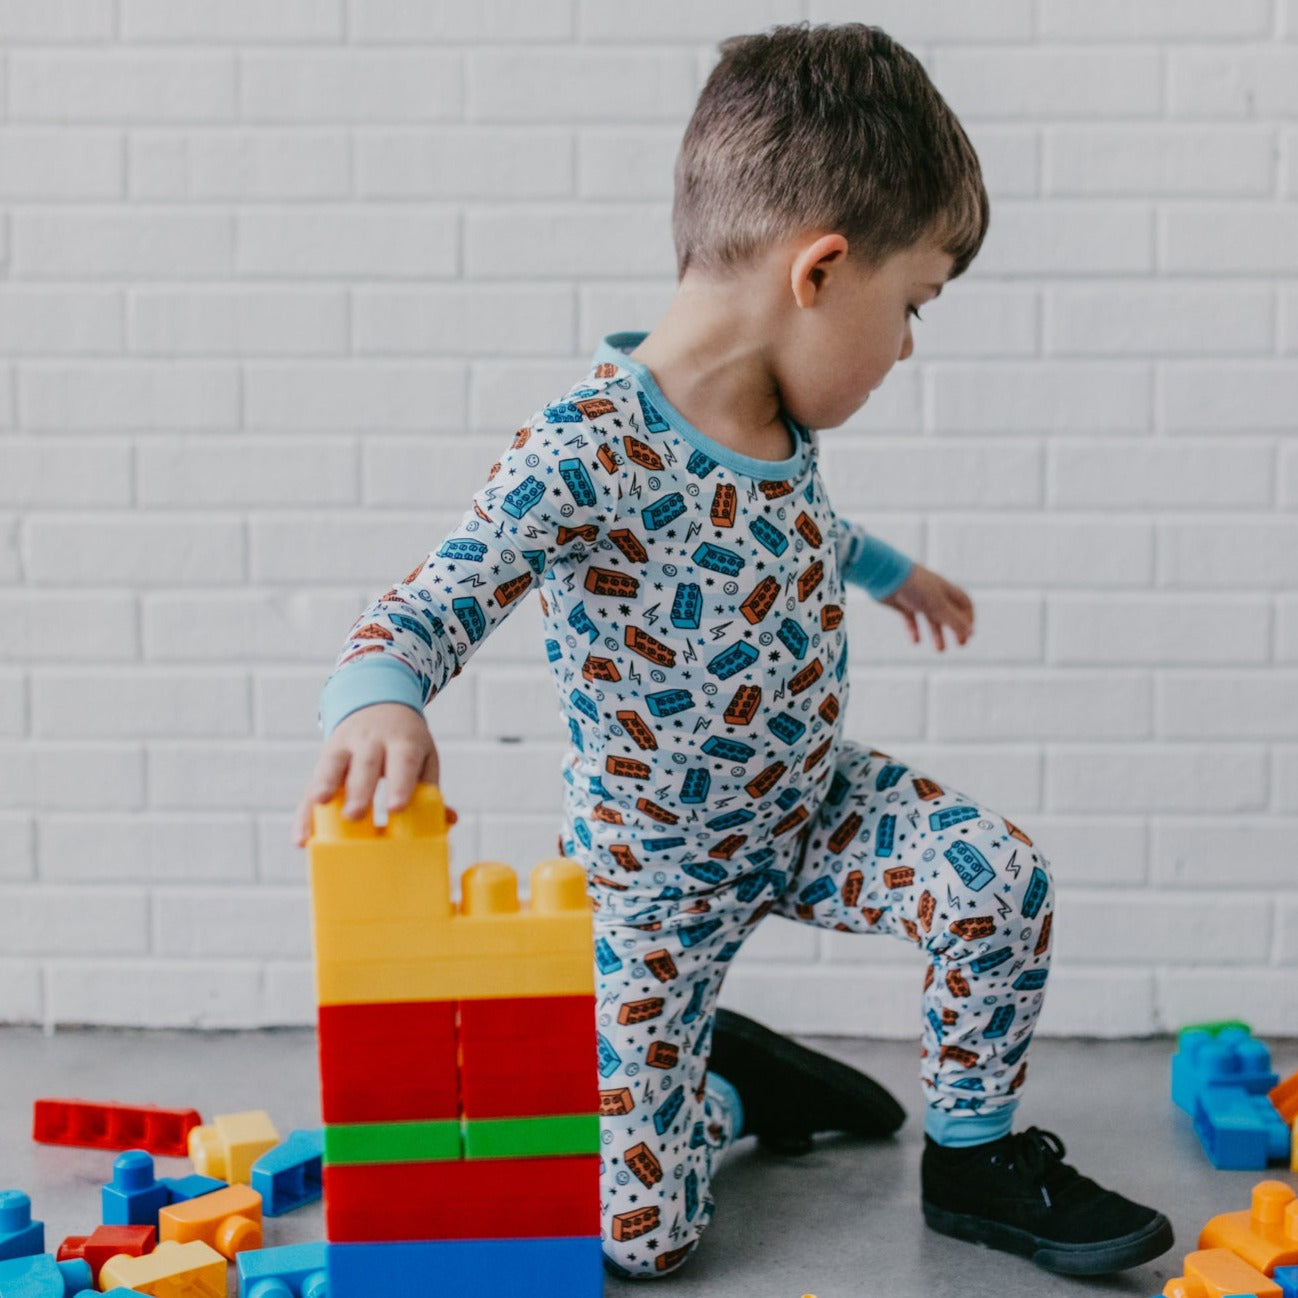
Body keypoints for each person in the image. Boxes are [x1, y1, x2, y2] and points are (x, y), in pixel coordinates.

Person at [293, 21, 1173, 1281]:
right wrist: (380, 700)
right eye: (911, 305)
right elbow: (431, 599)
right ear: (819, 269)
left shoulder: (773, 418)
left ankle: (974, 1154)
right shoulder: (585, 447)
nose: (906, 346)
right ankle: (727, 1079)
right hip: (650, 887)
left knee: (994, 877)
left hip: (810, 806)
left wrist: (892, 573)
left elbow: (788, 530)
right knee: (642, 1238)